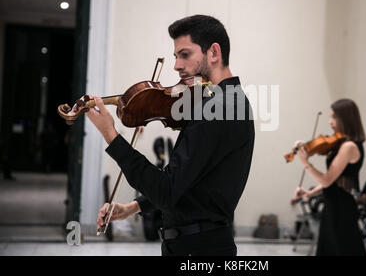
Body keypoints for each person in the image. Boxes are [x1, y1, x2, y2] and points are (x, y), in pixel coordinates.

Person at [85, 15, 255, 256]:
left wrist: (110, 134)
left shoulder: (220, 107)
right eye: (175, 56)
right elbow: (187, 183)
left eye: (185, 54)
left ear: (214, 53)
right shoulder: (225, 102)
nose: (176, 65)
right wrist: (132, 207)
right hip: (199, 245)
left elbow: (167, 190)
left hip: (199, 249)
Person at [291, 98, 366, 256]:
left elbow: (327, 179)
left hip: (342, 210)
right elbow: (337, 182)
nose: (330, 121)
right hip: (333, 206)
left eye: (333, 117)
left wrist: (306, 163)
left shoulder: (349, 147)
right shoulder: (343, 144)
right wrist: (310, 193)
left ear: (345, 118)